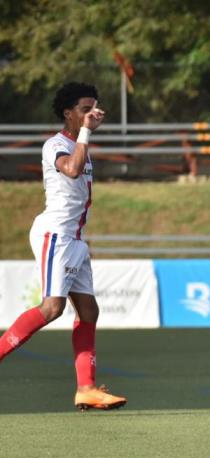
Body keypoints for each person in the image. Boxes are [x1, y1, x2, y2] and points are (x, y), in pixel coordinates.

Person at [0, 82, 126, 411]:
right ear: (68, 114)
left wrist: (83, 135)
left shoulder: (79, 144)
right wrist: (85, 133)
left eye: (94, 108)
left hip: (74, 238)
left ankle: (86, 388)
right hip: (55, 234)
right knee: (52, 308)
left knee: (88, 311)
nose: (92, 114)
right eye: (85, 109)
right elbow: (70, 170)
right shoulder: (55, 144)